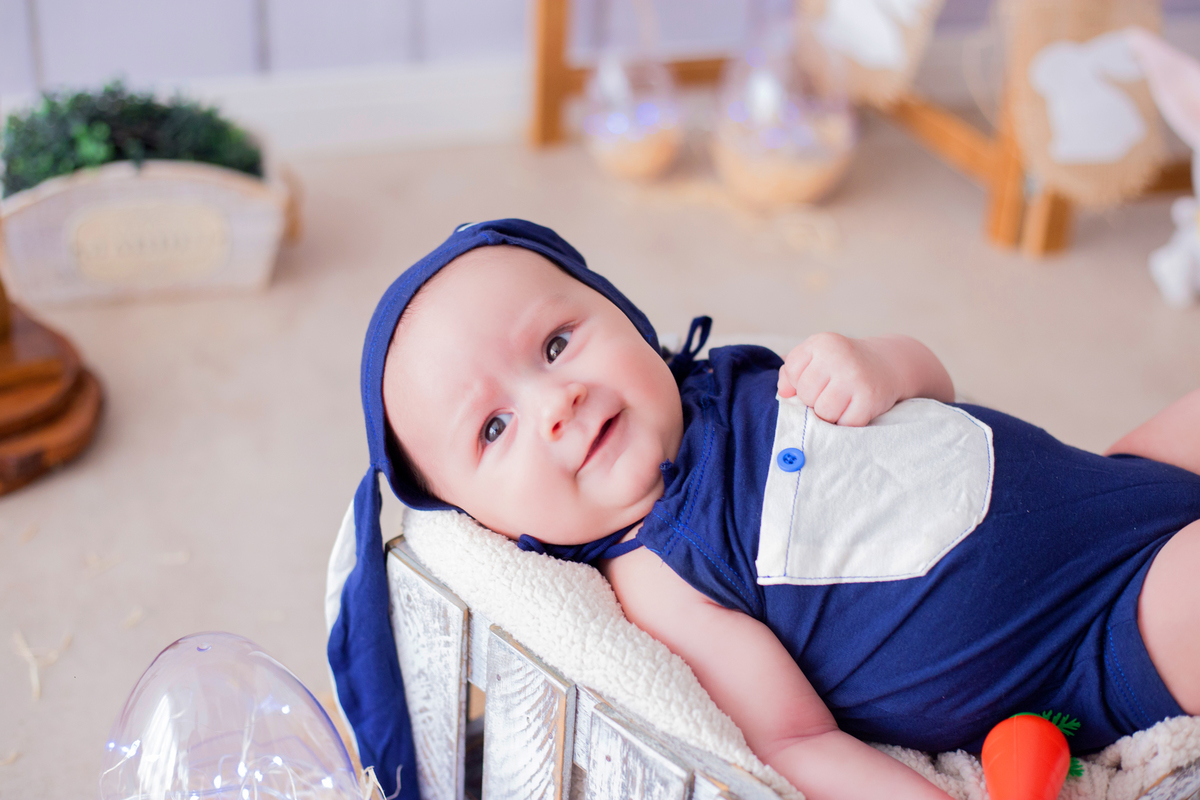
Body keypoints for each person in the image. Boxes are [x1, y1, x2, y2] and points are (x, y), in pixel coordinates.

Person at [328, 219, 1200, 800]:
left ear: (625, 315)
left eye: (557, 343)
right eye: (493, 427)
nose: (555, 401)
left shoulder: (737, 377)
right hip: (1099, 638)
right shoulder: (659, 580)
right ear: (485, 524)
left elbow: (935, 392)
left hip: (1113, 475)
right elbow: (795, 743)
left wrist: (880, 365)